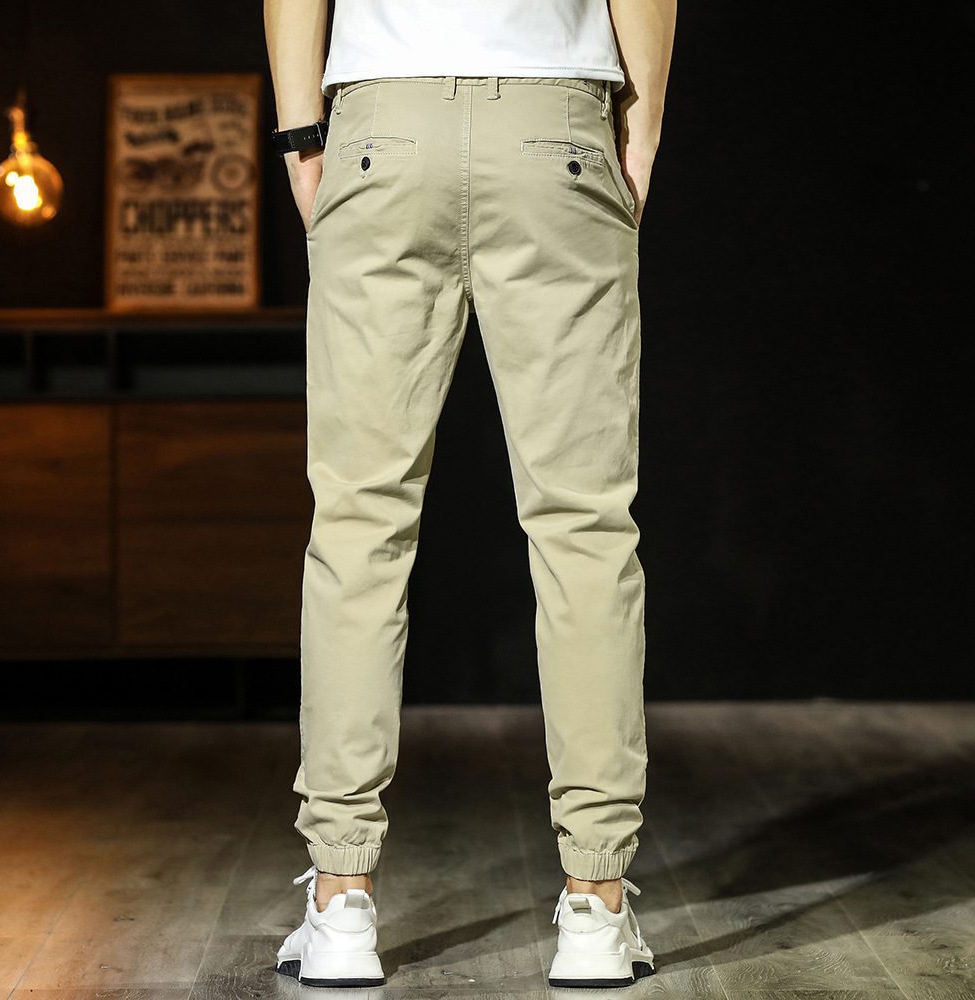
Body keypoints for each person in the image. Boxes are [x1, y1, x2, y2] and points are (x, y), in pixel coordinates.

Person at [263, 0, 676, 988]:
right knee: (583, 526)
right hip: (556, 124)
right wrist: (641, 128)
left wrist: (301, 140)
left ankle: (340, 899)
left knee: (358, 523)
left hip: (381, 128)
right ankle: (594, 904)